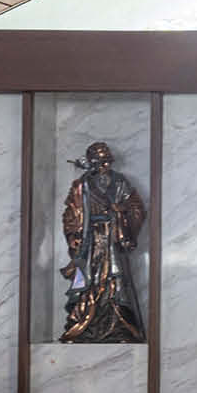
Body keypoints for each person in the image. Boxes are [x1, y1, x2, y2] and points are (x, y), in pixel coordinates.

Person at [59, 141, 146, 344]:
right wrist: (74, 236)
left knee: (114, 283)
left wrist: (121, 210)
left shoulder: (120, 182)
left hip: (113, 238)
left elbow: (137, 208)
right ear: (93, 163)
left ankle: (120, 326)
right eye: (101, 163)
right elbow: (70, 214)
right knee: (88, 281)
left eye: (108, 162)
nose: (106, 166)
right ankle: (84, 325)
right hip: (89, 241)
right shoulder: (81, 185)